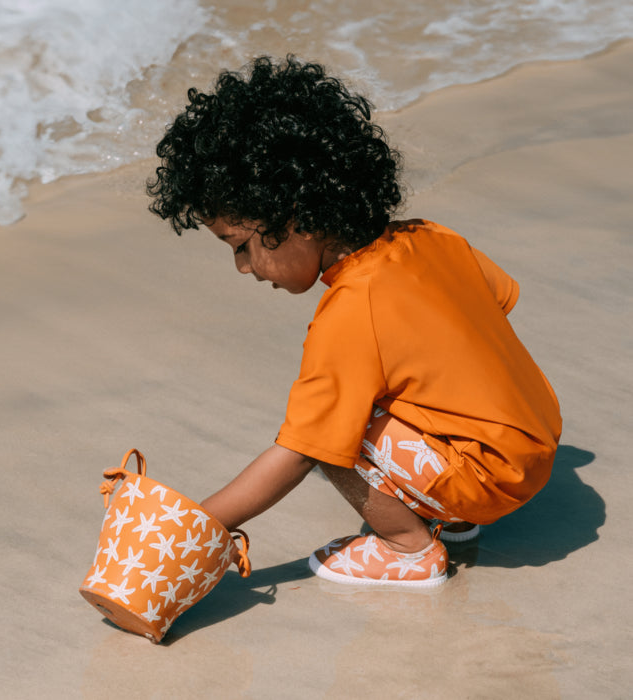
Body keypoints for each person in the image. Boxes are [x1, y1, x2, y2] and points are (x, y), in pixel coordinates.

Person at [147, 56, 562, 587]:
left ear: (295, 215)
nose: (243, 268)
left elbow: (298, 452)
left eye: (241, 245)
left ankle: (408, 547)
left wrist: (195, 530)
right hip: (535, 440)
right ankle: (451, 517)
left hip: (491, 478)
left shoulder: (351, 307)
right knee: (408, 376)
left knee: (338, 429)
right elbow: (494, 304)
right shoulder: (431, 236)